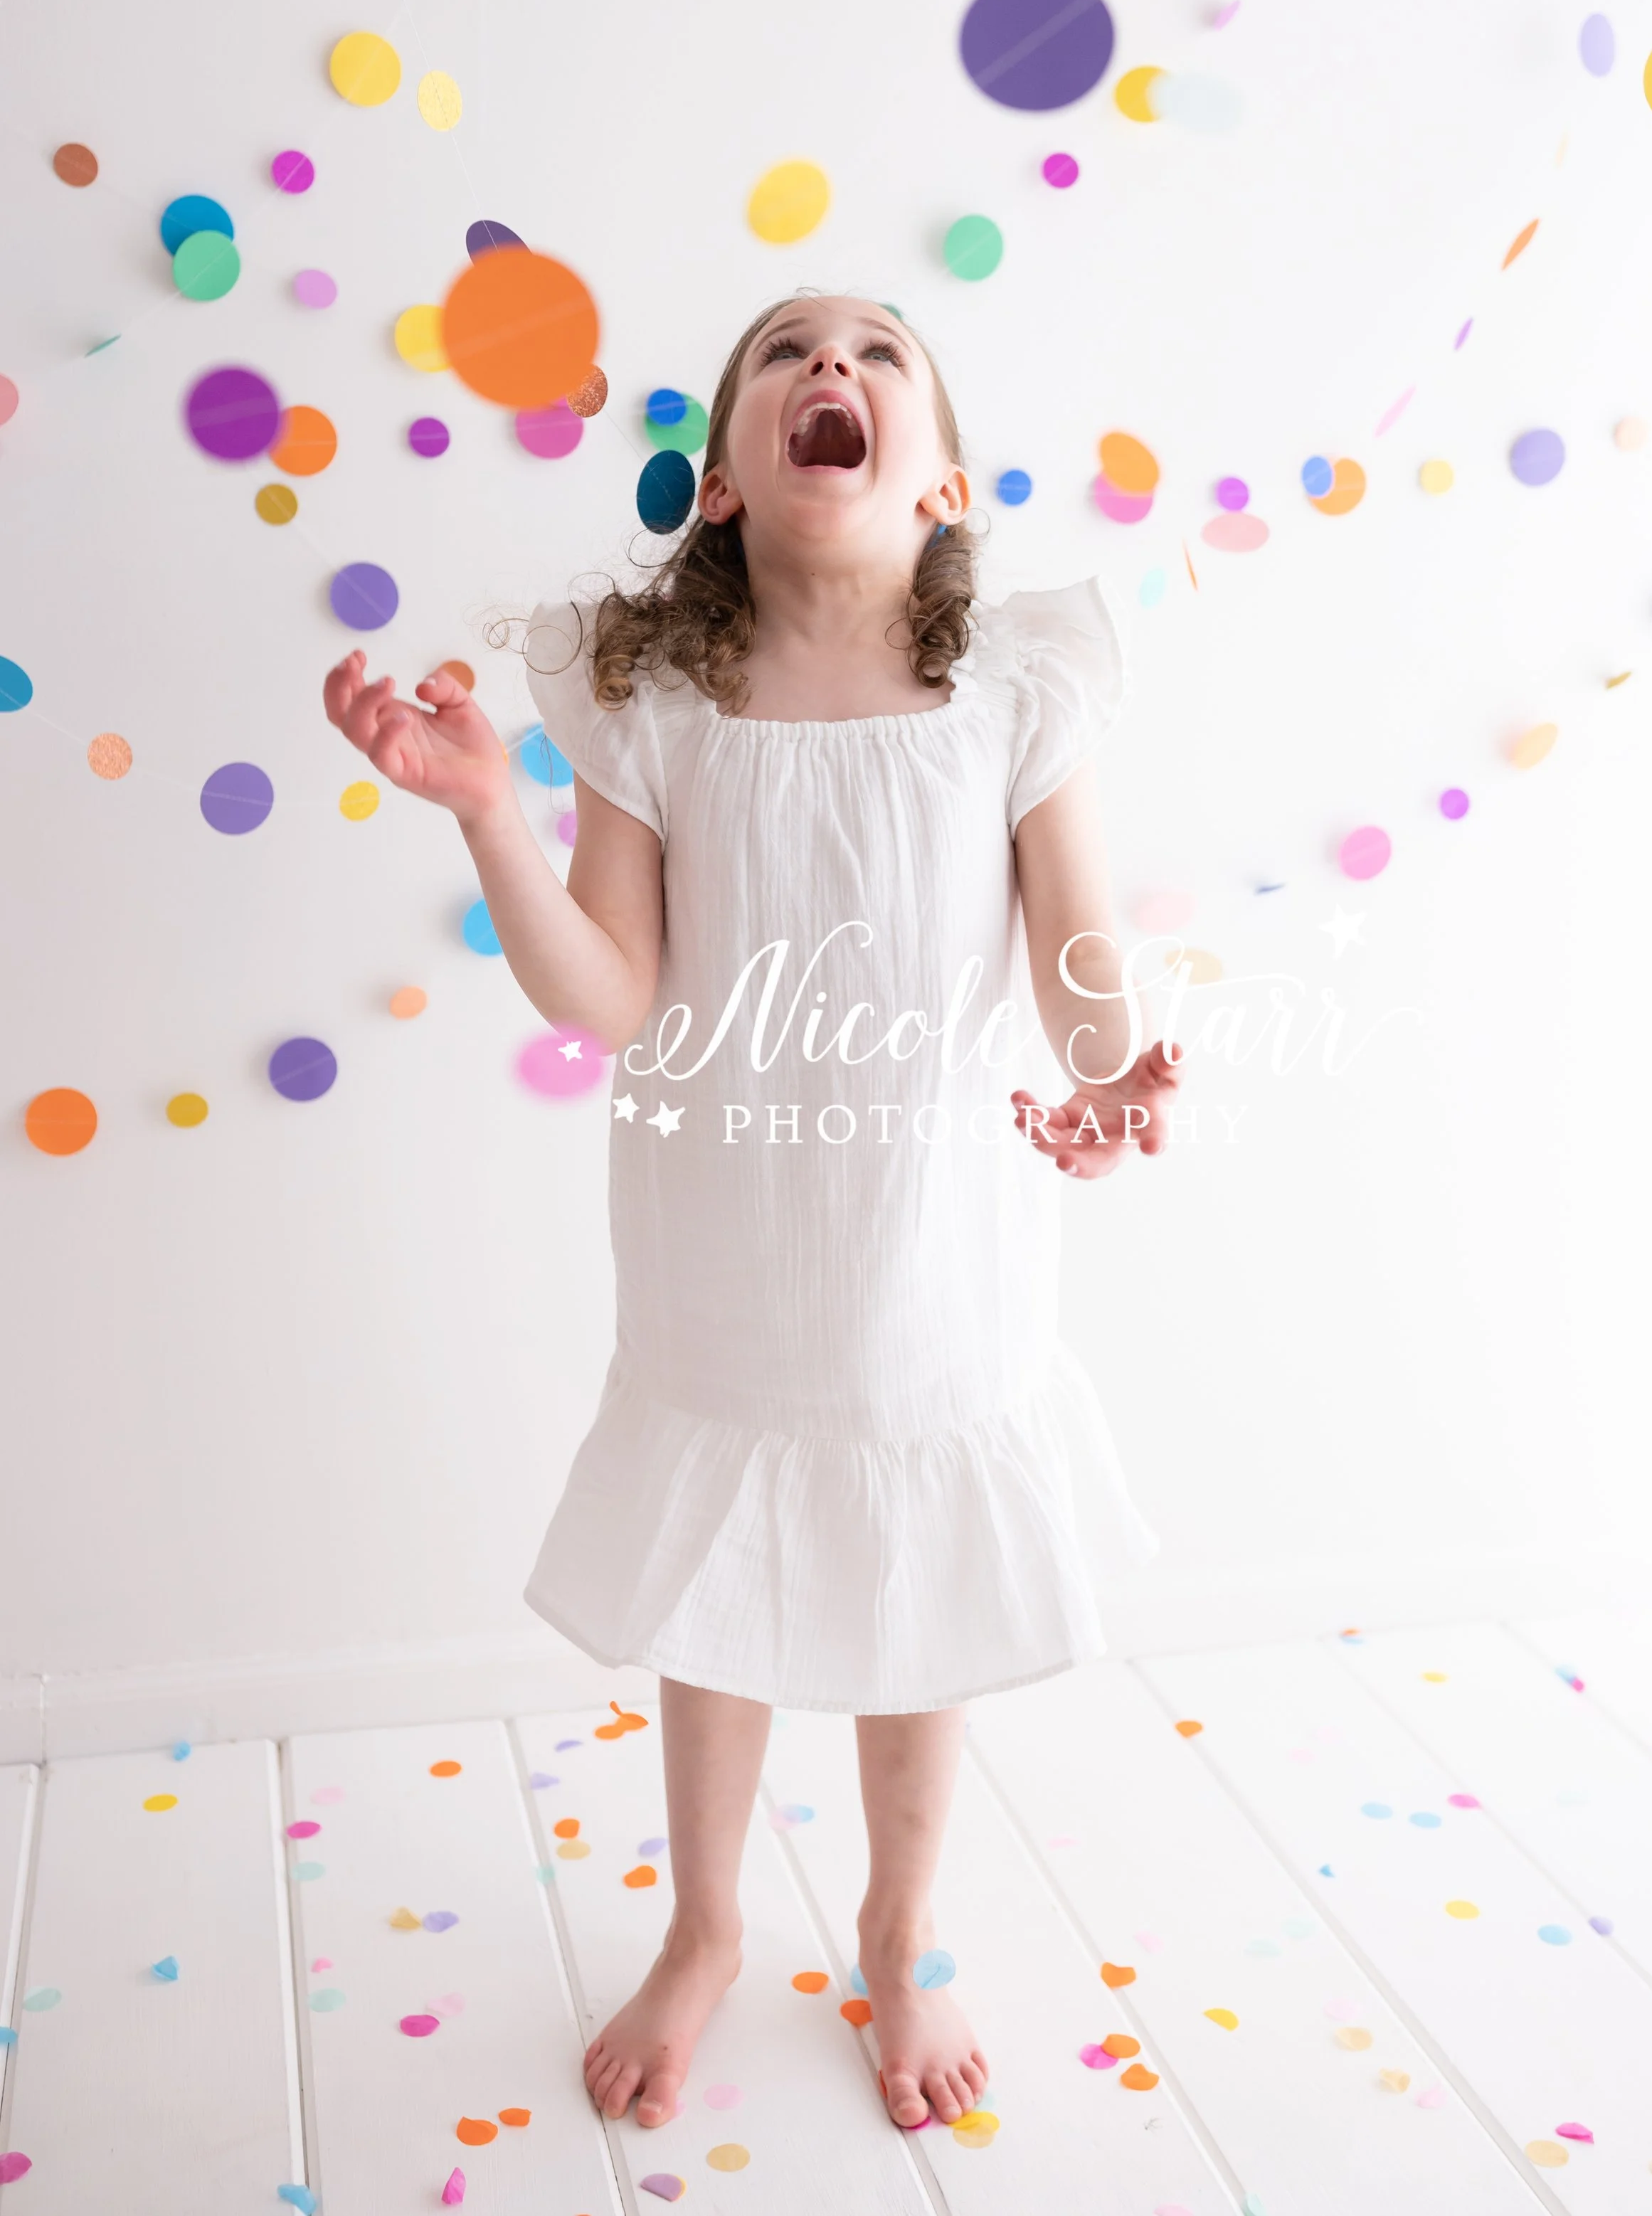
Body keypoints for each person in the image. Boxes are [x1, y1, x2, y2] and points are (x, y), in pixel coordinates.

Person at [323, 292, 1181, 2136]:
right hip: (724, 1225)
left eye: (876, 354)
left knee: (918, 1571)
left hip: (933, 1233)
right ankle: (707, 1918)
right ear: (721, 481)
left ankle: (899, 1912)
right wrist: (489, 814)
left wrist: (1119, 1069)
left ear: (937, 477)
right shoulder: (662, 704)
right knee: (721, 1576)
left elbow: (1076, 956)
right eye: (791, 350)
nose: (831, 369)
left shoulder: (1012, 688)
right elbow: (608, 994)